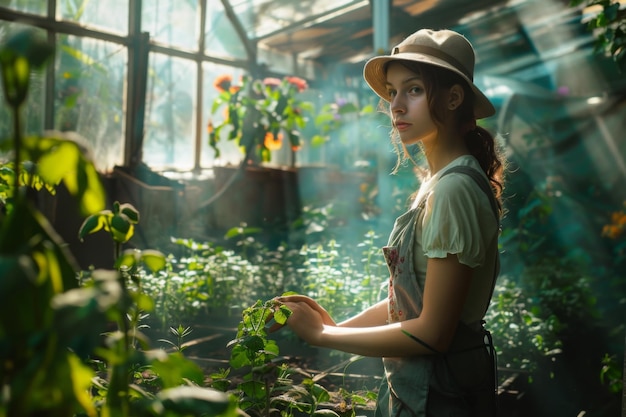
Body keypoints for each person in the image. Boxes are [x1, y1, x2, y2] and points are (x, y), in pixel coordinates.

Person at [271, 28, 505, 417]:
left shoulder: (453, 190)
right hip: (424, 389)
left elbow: (433, 334)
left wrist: (322, 335)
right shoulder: (440, 182)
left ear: (453, 97)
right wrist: (335, 327)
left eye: (413, 89)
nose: (396, 105)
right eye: (393, 91)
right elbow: (412, 303)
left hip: (442, 398)